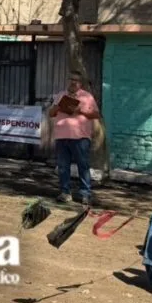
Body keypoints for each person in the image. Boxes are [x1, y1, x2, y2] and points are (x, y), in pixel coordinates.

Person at [47, 71, 100, 204]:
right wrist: (57, 107)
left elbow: (96, 114)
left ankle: (85, 194)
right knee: (63, 166)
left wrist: (80, 110)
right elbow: (51, 113)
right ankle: (65, 192)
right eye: (71, 79)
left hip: (80, 137)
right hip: (62, 136)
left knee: (83, 166)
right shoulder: (61, 95)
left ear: (80, 83)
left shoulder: (87, 97)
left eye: (76, 80)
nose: (73, 82)